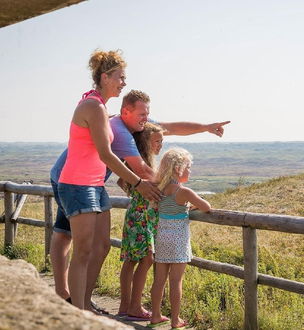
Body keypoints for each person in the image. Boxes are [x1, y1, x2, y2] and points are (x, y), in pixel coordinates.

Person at [50, 85, 230, 310]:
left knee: (87, 241)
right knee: (68, 236)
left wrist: (206, 127)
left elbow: (171, 127)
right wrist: (173, 187)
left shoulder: (138, 123)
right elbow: (143, 171)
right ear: (126, 111)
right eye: (142, 114)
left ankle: (79, 301)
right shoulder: (120, 129)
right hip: (68, 178)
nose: (146, 118)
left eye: (147, 113)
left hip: (89, 181)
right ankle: (68, 297)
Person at [56, 50, 162, 310]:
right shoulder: (92, 107)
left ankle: (84, 305)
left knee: (101, 247)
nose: (124, 83)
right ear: (105, 77)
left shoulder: (100, 106)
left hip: (94, 185)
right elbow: (106, 154)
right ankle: (78, 314)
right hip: (78, 185)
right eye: (120, 77)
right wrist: (138, 182)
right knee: (82, 253)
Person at [148, 148, 211, 329]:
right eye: (188, 167)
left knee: (159, 280)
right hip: (178, 242)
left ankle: (155, 315)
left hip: (162, 239)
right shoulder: (183, 192)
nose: (190, 171)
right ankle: (175, 320)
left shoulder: (160, 190)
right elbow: (206, 206)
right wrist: (190, 205)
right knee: (176, 282)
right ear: (178, 169)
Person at [118, 122, 163, 320]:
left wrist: (135, 193)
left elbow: (121, 180)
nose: (160, 145)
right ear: (145, 143)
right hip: (143, 215)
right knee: (146, 259)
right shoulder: (144, 165)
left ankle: (125, 306)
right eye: (157, 141)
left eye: (162, 141)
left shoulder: (134, 162)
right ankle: (135, 307)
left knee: (131, 260)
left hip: (135, 213)